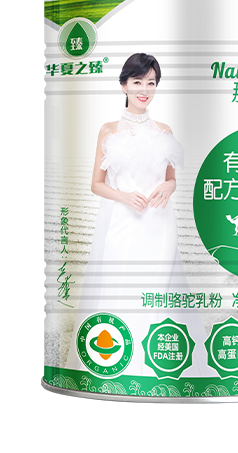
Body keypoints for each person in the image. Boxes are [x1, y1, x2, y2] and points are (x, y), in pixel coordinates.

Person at [68, 53, 207, 374]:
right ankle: (119, 362)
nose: (145, 89)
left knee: (159, 288)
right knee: (120, 286)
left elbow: (171, 178)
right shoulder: (108, 130)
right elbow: (96, 184)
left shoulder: (164, 130)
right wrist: (124, 196)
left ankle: (160, 363)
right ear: (124, 85)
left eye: (151, 83)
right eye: (137, 82)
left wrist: (168, 187)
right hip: (124, 223)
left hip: (159, 222)